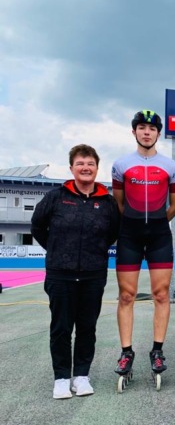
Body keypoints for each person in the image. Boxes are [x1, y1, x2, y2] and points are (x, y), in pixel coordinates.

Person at [31, 144, 120, 399]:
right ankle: (61, 378)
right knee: (61, 328)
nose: (85, 168)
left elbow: (113, 233)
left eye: (90, 163)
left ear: (97, 168)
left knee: (87, 327)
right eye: (80, 163)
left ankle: (81, 376)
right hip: (60, 273)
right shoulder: (56, 197)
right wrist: (57, 250)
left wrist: (95, 253)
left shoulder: (107, 202)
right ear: (71, 168)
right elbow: (37, 227)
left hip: (93, 274)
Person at [111, 110, 175, 390]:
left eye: (152, 128)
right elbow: (119, 203)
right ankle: (126, 352)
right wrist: (136, 222)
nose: (147, 132)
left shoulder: (171, 166)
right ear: (134, 132)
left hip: (159, 236)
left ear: (158, 133)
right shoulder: (121, 165)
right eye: (142, 127)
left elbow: (174, 205)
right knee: (126, 295)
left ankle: (157, 351)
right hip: (129, 235)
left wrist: (156, 222)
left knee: (161, 294)